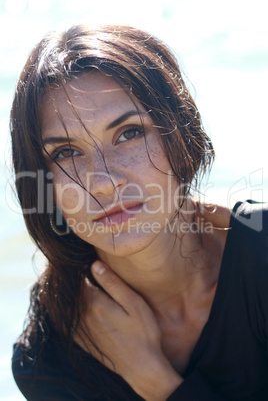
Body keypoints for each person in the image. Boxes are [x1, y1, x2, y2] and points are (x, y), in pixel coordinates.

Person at [11, 24, 268, 401]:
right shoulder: (48, 359)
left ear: (180, 136)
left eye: (129, 133)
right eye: (66, 153)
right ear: (42, 185)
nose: (102, 182)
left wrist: (152, 380)